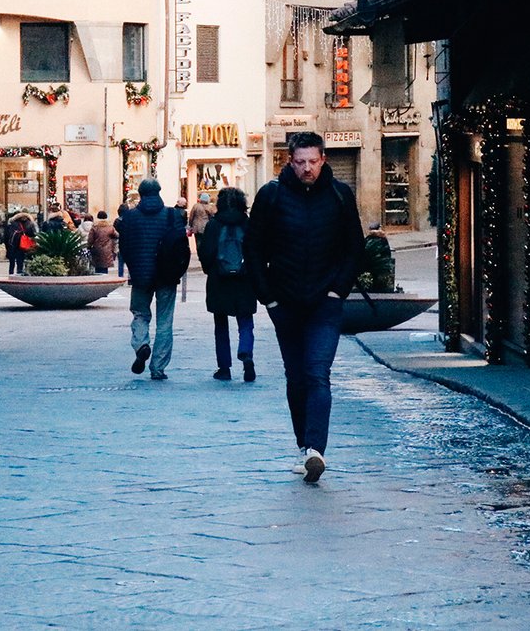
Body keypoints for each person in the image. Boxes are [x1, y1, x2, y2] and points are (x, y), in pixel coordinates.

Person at [247, 131, 363, 483]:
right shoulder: (271, 196)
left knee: (317, 373)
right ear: (289, 161)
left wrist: (338, 290)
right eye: (300, 162)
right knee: (296, 377)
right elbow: (253, 251)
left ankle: (315, 450)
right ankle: (304, 446)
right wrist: (269, 299)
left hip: (325, 304)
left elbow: (354, 248)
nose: (307, 168)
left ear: (323, 159)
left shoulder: (340, 196)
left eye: (313, 161)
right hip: (286, 304)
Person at [117, 179, 187, 380]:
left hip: (141, 276)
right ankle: (158, 367)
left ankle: (141, 344)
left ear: (140, 193)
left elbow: (125, 248)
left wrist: (134, 268)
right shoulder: (172, 215)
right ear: (159, 191)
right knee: (165, 321)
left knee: (140, 313)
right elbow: (181, 246)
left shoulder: (130, 217)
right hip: (167, 276)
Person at [198, 187, 257, 382]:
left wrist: (212, 269)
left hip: (219, 281)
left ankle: (224, 368)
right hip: (244, 280)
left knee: (221, 325)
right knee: (246, 321)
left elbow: (205, 253)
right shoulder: (249, 224)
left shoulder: (214, 225)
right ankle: (246, 352)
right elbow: (257, 252)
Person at [88, 210, 119, 275]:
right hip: (107, 250)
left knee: (97, 267)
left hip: (97, 249)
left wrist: (89, 246)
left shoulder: (94, 227)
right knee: (105, 268)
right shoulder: (110, 227)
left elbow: (90, 239)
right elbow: (117, 235)